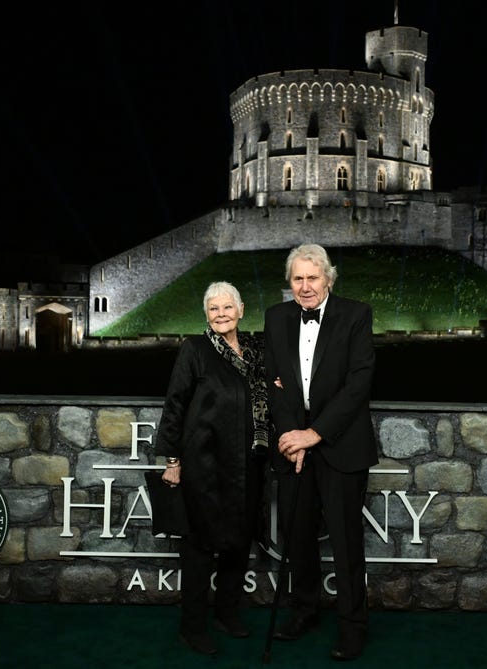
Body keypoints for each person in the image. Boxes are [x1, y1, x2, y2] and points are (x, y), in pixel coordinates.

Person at [263, 243, 377, 661]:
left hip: (341, 446)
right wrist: (291, 435)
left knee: (346, 543)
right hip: (294, 448)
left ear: (329, 278)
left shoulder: (355, 314)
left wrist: (314, 434)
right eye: (298, 278)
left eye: (313, 277)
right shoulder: (276, 318)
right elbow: (273, 380)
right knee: (298, 538)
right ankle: (304, 611)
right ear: (289, 282)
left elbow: (358, 385)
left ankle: (352, 627)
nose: (306, 287)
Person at [155, 281, 269, 656]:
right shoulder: (196, 350)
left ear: (241, 311)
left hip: (248, 464)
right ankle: (193, 626)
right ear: (206, 314)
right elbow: (175, 404)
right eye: (213, 308)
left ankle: (227, 614)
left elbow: (270, 392)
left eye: (227, 307)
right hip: (204, 465)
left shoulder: (255, 351)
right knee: (200, 548)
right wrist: (172, 460)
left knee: (238, 543)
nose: (221, 314)